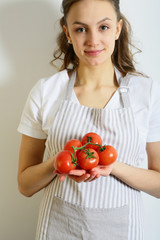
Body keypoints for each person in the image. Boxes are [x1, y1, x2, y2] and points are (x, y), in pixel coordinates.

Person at [17, 0, 160, 239]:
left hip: (122, 231)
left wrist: (113, 167)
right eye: (81, 28)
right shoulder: (46, 91)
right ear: (68, 33)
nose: (93, 40)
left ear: (117, 28)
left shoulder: (146, 93)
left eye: (103, 27)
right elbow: (25, 186)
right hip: (58, 230)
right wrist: (58, 163)